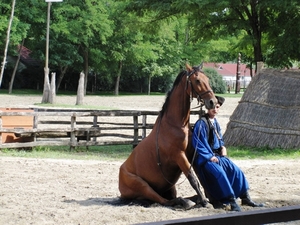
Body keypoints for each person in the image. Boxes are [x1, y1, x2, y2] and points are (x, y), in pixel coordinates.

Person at [192, 96, 264, 211]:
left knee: (236, 170)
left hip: (218, 156)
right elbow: (198, 143)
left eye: (217, 107)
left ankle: (245, 198)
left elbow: (219, 139)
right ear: (207, 107)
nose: (215, 109)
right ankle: (231, 201)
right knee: (220, 173)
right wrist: (209, 156)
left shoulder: (215, 123)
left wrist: (222, 147)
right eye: (212, 107)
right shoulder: (201, 124)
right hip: (205, 160)